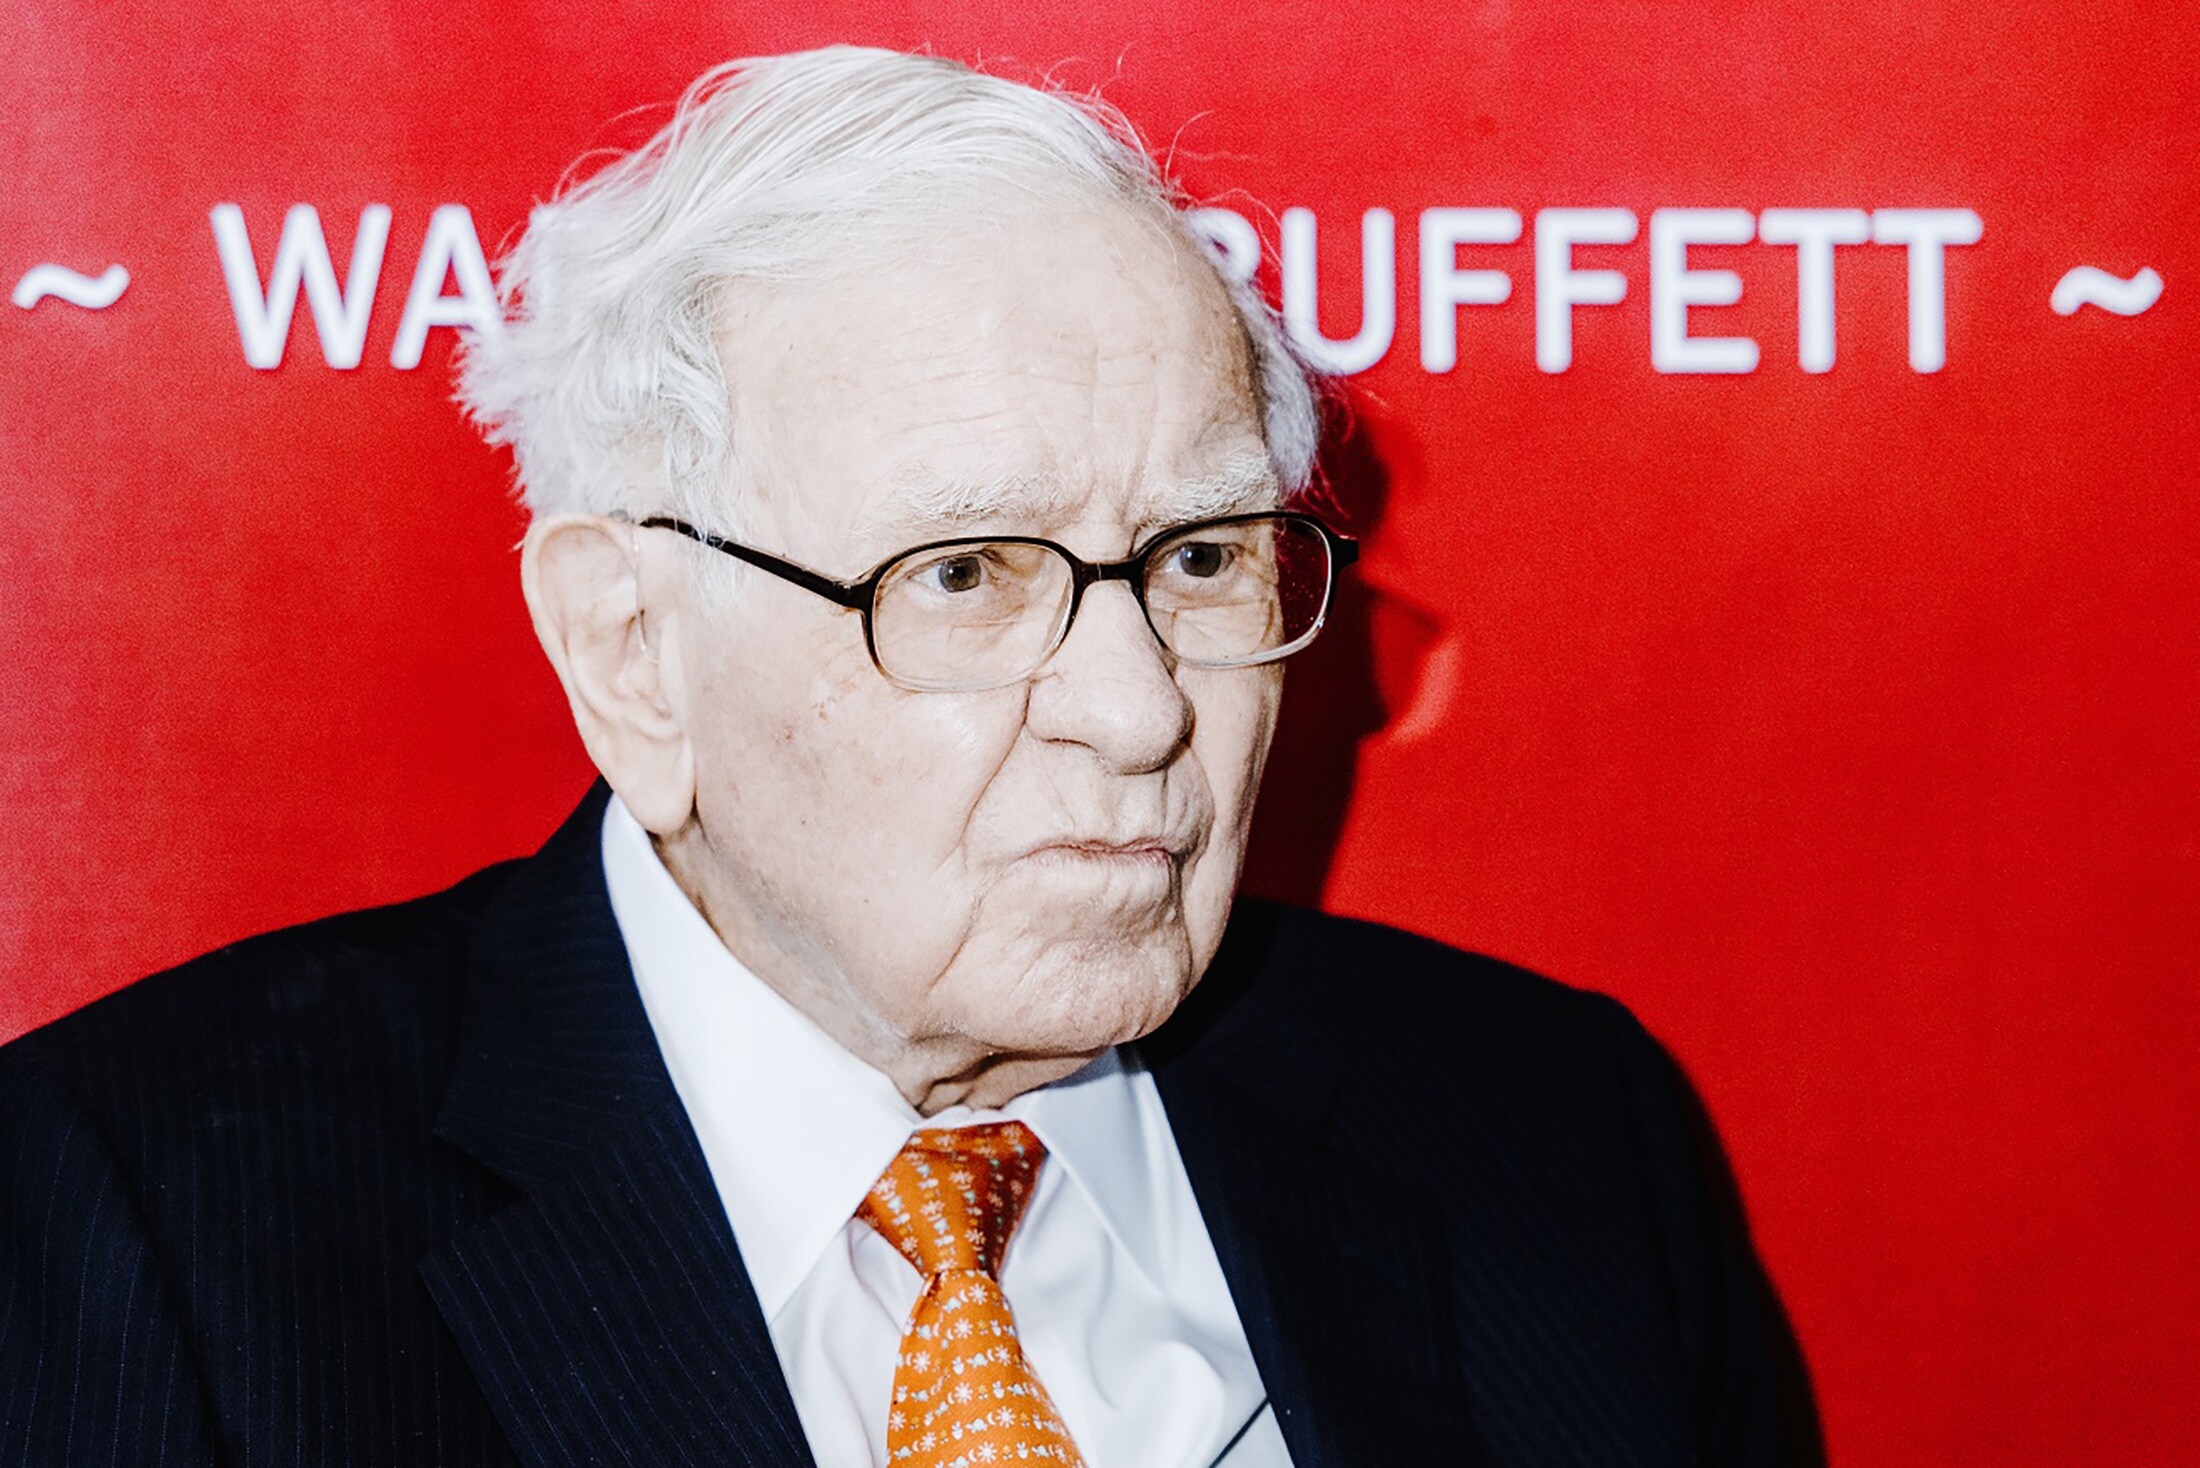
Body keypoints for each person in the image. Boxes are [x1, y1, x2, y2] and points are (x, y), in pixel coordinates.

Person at [0, 46, 1809, 1467]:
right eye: (964, 577)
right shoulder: (131, 1231)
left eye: (1198, 559)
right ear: (632, 650)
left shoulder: (1555, 1134)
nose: (1142, 711)